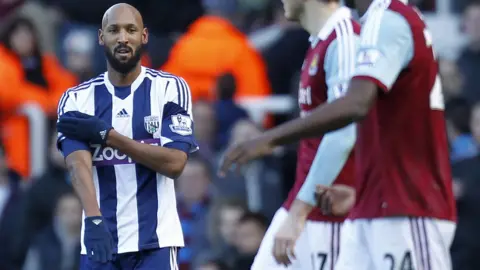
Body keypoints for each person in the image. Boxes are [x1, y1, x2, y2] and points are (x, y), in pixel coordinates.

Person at [219, 0, 456, 269]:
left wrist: (269, 139)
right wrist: (358, 192)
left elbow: (354, 107)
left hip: (406, 207)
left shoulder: (382, 22)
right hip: (370, 207)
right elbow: (376, 123)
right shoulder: (369, 26)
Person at [55, 3, 197, 269]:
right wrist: (94, 219)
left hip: (155, 244)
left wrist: (108, 136)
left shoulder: (170, 89)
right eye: (114, 30)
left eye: (131, 30)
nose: (122, 38)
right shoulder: (76, 98)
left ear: (144, 36)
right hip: (100, 240)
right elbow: (77, 164)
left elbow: (175, 163)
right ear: (101, 37)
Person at [222, 0, 360, 269]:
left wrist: (299, 211)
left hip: (329, 215)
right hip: (305, 204)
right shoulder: (320, 41)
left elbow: (344, 132)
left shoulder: (344, 39)